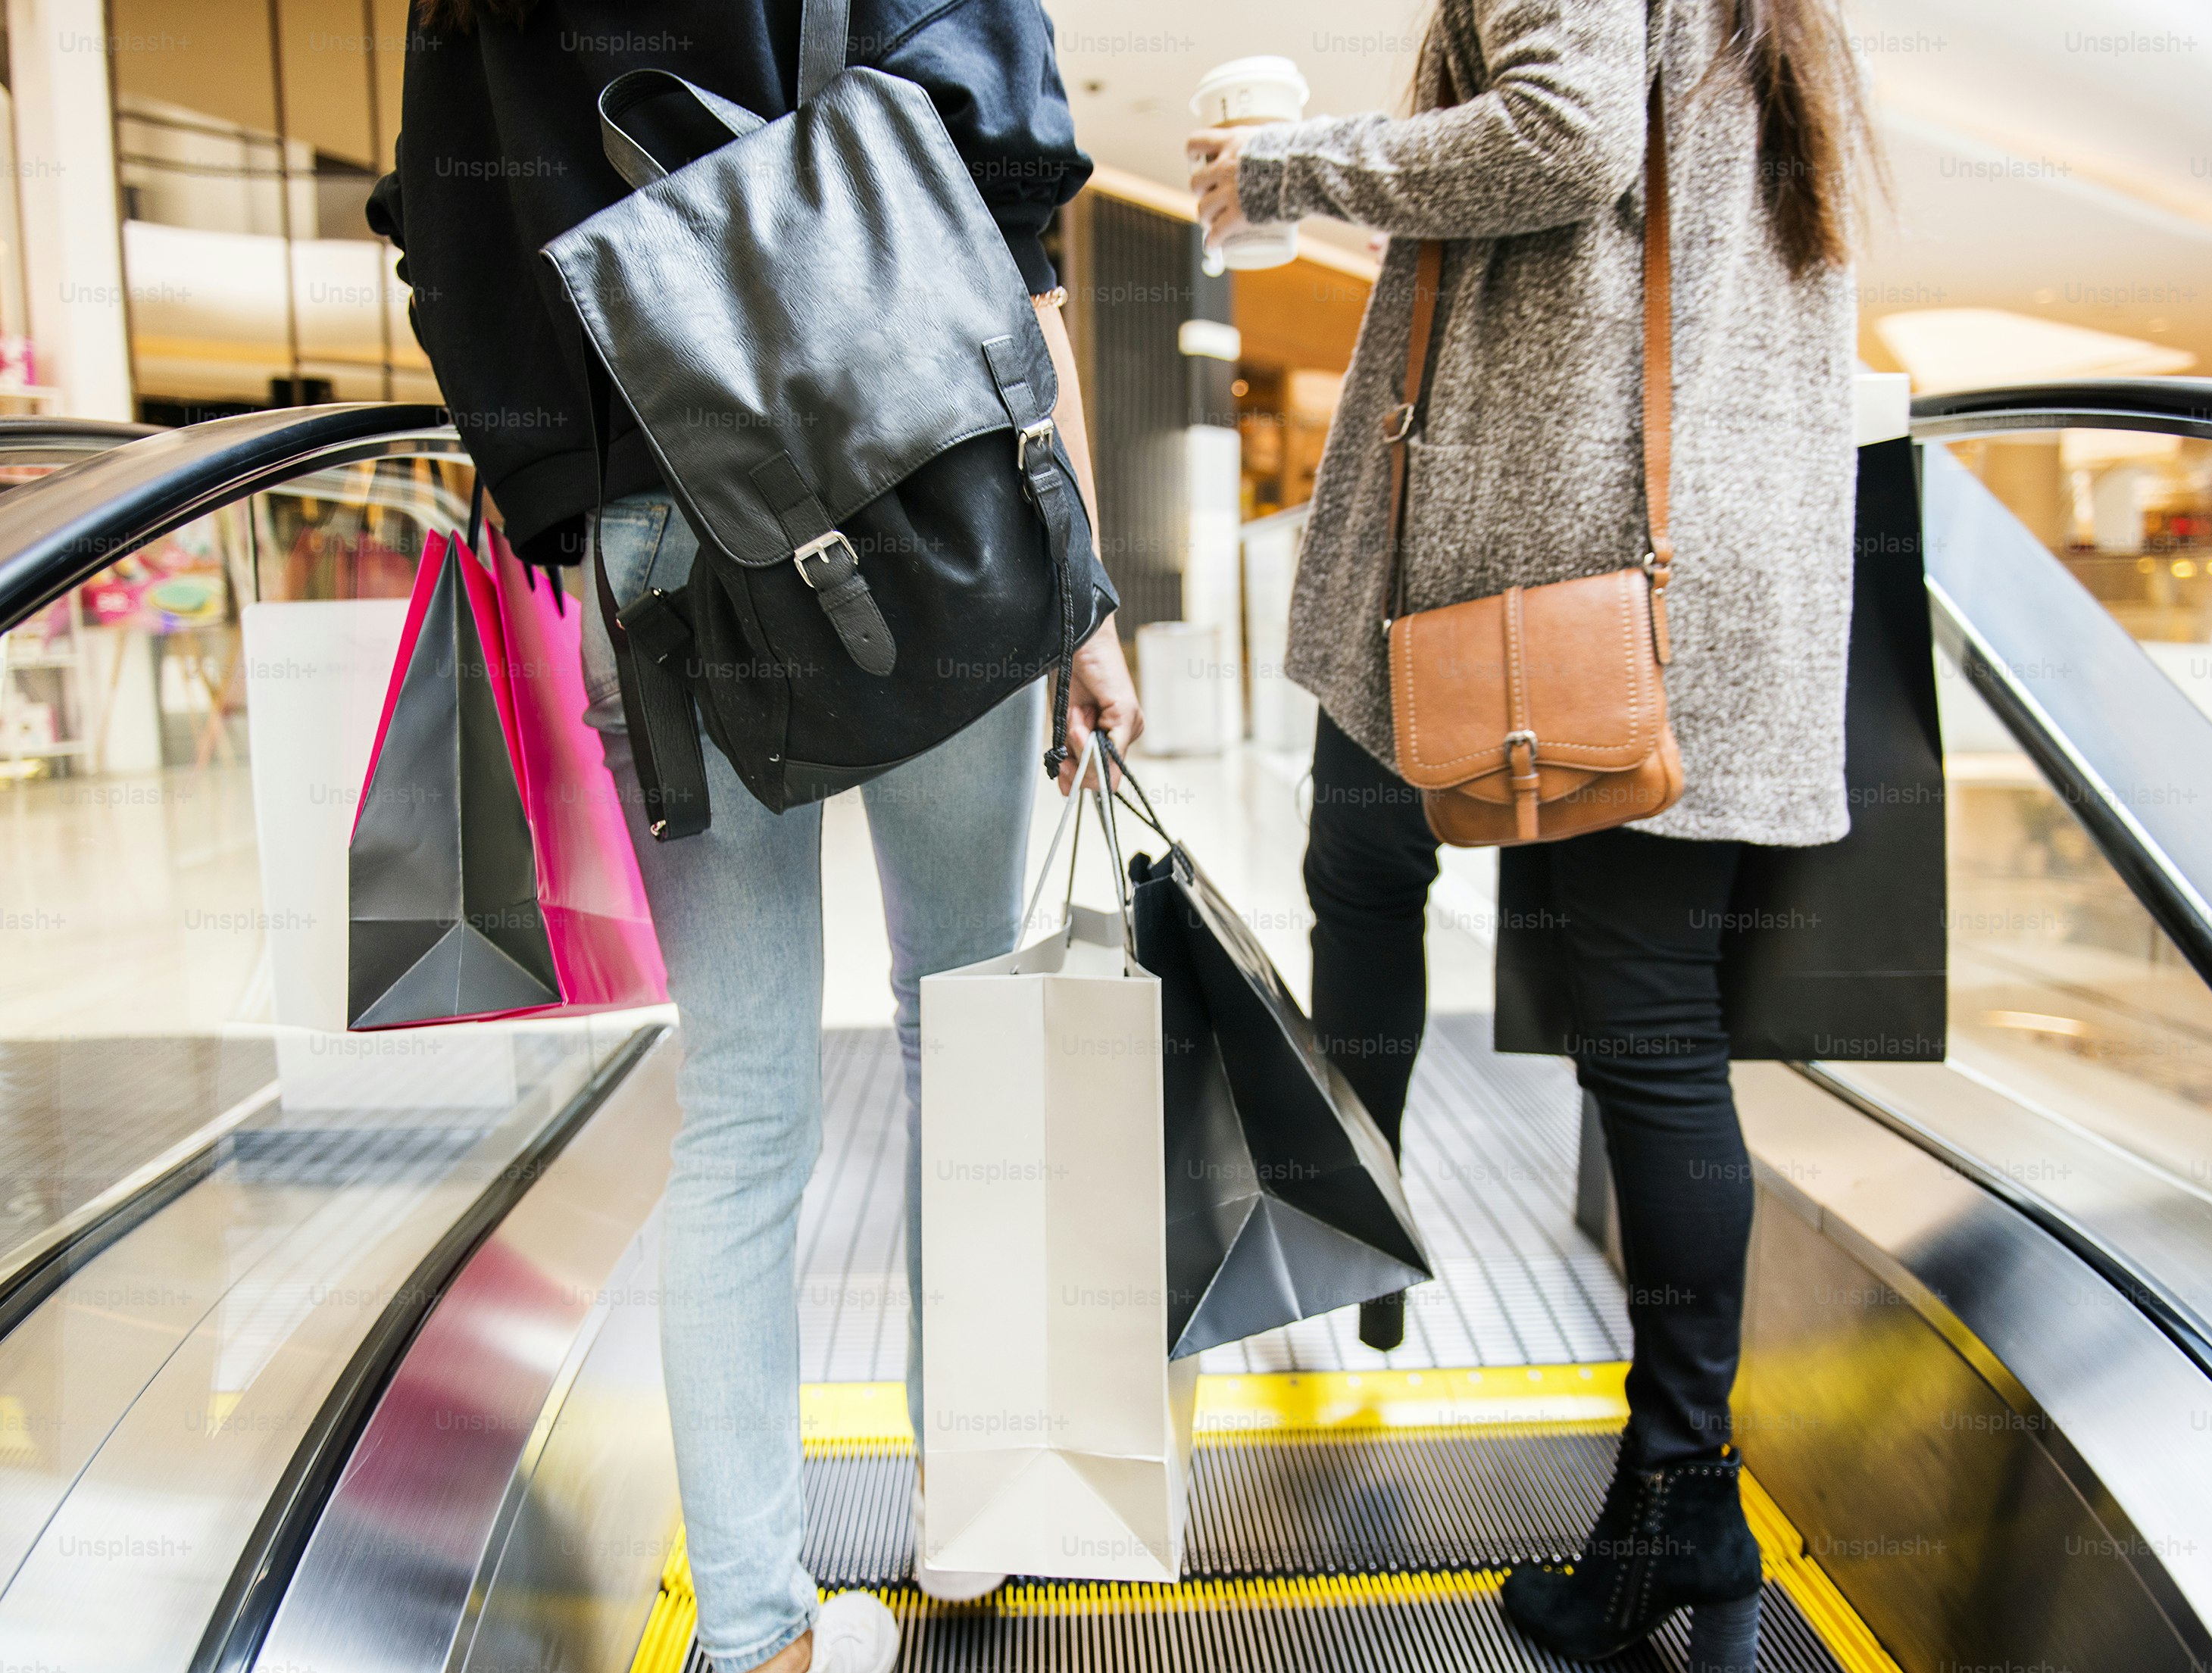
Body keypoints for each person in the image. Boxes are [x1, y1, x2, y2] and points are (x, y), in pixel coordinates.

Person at [371, 3, 1139, 1671]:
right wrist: (1084, 603)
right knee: (967, 1028)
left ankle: (756, 1628)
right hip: (922, 481)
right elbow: (1010, 227)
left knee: (741, 1115)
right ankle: (971, 1527)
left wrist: (572, 493)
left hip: (660, 549)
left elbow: (446, 244)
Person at [1189, 0, 1873, 1666]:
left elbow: (1564, 137)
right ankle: (1645, 1460)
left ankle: (1669, 1493)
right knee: (1617, 1006)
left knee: (1487, 938)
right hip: (1668, 561)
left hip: (1561, 565)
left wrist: (1288, 165)